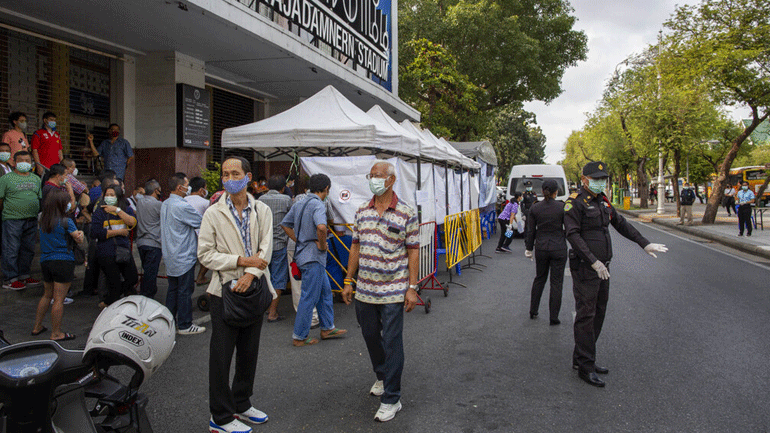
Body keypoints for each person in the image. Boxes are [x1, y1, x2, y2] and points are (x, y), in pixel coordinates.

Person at [564, 161, 668, 387]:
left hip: (604, 268)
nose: (601, 182)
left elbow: (621, 224)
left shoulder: (603, 202)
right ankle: (585, 366)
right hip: (586, 268)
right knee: (586, 315)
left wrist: (644, 244)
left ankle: (582, 357)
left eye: (603, 179)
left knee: (598, 313)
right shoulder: (575, 203)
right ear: (584, 180)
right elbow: (572, 235)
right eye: (596, 179)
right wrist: (592, 261)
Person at [198, 156, 275, 433]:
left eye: (235, 173)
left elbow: (266, 247)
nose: (229, 178)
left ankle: (241, 402)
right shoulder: (213, 213)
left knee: (249, 350)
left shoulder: (261, 209)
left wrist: (251, 274)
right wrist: (242, 262)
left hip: (253, 288)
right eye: (225, 174)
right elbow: (205, 254)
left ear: (248, 177)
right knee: (221, 355)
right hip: (224, 291)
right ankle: (219, 417)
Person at [341, 161, 419, 422]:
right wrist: (348, 280)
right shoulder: (362, 210)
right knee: (370, 335)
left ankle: (392, 398)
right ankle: (383, 375)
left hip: (395, 288)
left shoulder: (406, 212)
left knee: (392, 340)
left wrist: (412, 287)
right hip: (365, 288)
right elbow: (355, 247)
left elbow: (413, 250)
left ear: (391, 180)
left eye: (378, 176)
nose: (373, 179)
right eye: (371, 176)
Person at [281, 173, 346, 347]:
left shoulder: (299, 202)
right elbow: (322, 227)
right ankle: (299, 336)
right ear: (326, 189)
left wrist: (299, 239)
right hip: (314, 257)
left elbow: (285, 224)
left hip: (303, 254)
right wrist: (323, 245)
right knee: (308, 297)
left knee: (325, 292)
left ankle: (327, 327)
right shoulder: (319, 204)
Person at [31, 188, 84, 341]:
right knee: (59, 299)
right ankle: (56, 333)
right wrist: (80, 234)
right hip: (63, 261)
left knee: (47, 295)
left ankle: (37, 326)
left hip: (45, 261)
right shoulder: (66, 221)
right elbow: (78, 239)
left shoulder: (42, 219)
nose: (69, 204)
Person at [161, 173, 206, 335]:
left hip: (170, 253)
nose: (189, 188)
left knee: (173, 290)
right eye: (187, 185)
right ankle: (185, 324)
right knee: (185, 291)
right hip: (183, 254)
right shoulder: (182, 206)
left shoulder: (165, 204)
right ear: (180, 187)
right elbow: (201, 222)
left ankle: (168, 322)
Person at [525, 179, 567, 325]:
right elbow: (568, 229)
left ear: (542, 191)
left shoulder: (535, 208)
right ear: (556, 192)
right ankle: (554, 317)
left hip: (541, 248)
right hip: (559, 248)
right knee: (556, 283)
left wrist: (529, 248)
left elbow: (531, 231)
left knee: (539, 279)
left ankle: (533, 310)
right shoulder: (562, 207)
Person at [0, 151, 43, 290]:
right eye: (21, 160)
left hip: (31, 218)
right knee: (11, 249)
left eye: (27, 160)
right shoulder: (6, 179)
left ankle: (24, 275)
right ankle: (10, 279)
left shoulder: (36, 178)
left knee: (28, 249)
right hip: (12, 219)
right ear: (14, 162)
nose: (25, 162)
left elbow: (39, 197)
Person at [90, 184, 138, 307]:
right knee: (114, 282)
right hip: (106, 252)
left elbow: (132, 222)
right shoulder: (99, 212)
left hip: (122, 250)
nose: (109, 197)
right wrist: (118, 232)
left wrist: (117, 210)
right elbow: (95, 232)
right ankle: (109, 304)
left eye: (112, 195)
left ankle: (109, 301)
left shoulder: (125, 209)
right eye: (107, 195)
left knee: (132, 278)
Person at [258, 175, 293, 322]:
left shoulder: (259, 200)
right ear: (283, 188)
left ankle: (265, 308)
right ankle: (272, 312)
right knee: (278, 278)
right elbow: (293, 220)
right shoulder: (286, 200)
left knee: (264, 277)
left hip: (262, 247)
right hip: (279, 245)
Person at [136, 180, 163, 299]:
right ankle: (146, 297)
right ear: (156, 190)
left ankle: (145, 294)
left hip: (141, 242)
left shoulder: (139, 202)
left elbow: (137, 195)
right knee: (151, 273)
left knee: (147, 271)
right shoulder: (158, 205)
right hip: (154, 242)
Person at [185, 176, 211, 285]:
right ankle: (200, 277)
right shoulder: (205, 202)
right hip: (200, 235)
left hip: (185, 236)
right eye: (205, 188)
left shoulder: (182, 200)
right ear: (201, 190)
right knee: (208, 255)